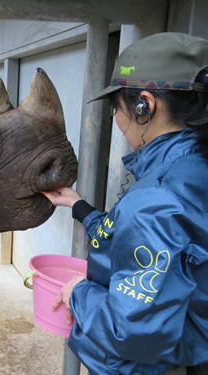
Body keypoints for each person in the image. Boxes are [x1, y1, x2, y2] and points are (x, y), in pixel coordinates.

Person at [41, 32, 208, 375]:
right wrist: (80, 207)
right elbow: (159, 241)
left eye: (117, 108)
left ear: (145, 106)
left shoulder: (158, 197)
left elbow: (129, 330)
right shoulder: (192, 169)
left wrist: (79, 294)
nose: (118, 121)